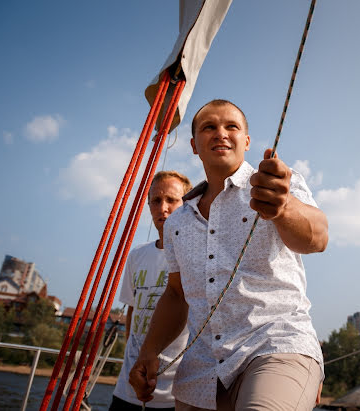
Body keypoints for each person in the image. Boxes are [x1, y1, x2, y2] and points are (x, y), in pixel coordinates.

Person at [130, 99, 328, 410]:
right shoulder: (177, 223)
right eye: (209, 127)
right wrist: (148, 352)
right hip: (201, 370)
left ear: (246, 141)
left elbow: (317, 238)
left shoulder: (278, 185)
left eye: (231, 126)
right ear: (194, 145)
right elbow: (176, 293)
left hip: (276, 345)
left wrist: (284, 207)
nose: (221, 133)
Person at [110, 171, 192, 411]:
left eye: (171, 200)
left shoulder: (197, 257)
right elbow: (132, 311)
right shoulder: (137, 256)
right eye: (155, 201)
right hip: (128, 390)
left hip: (173, 394)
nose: (163, 208)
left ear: (186, 206)